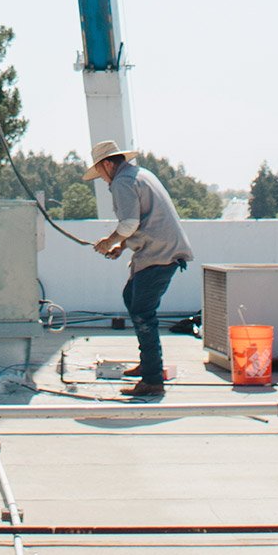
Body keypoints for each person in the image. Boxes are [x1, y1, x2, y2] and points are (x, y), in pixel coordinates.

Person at [89, 140, 193, 400]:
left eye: (100, 173)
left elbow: (129, 222)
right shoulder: (141, 174)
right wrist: (122, 247)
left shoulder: (122, 182)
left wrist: (109, 242)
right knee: (132, 298)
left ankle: (152, 380)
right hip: (163, 251)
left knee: (142, 312)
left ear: (107, 164)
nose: (102, 179)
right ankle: (148, 366)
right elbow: (142, 220)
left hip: (159, 254)